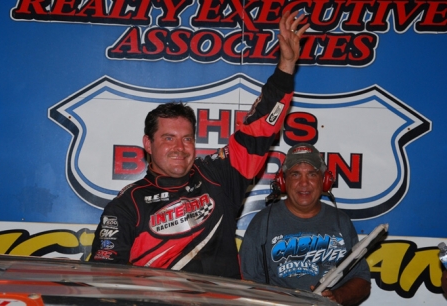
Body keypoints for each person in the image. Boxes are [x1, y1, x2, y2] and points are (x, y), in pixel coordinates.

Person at [89, 11, 310, 279]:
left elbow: (259, 128)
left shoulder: (219, 175)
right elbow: (105, 277)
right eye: (168, 138)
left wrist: (286, 66)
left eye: (187, 138)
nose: (179, 148)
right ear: (148, 143)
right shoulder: (126, 205)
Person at [239, 143, 371, 305]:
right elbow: (247, 284)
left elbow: (362, 280)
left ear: (325, 180)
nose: (304, 183)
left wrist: (337, 296)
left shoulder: (341, 221)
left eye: (312, 174)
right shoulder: (262, 222)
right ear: (282, 181)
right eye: (295, 174)